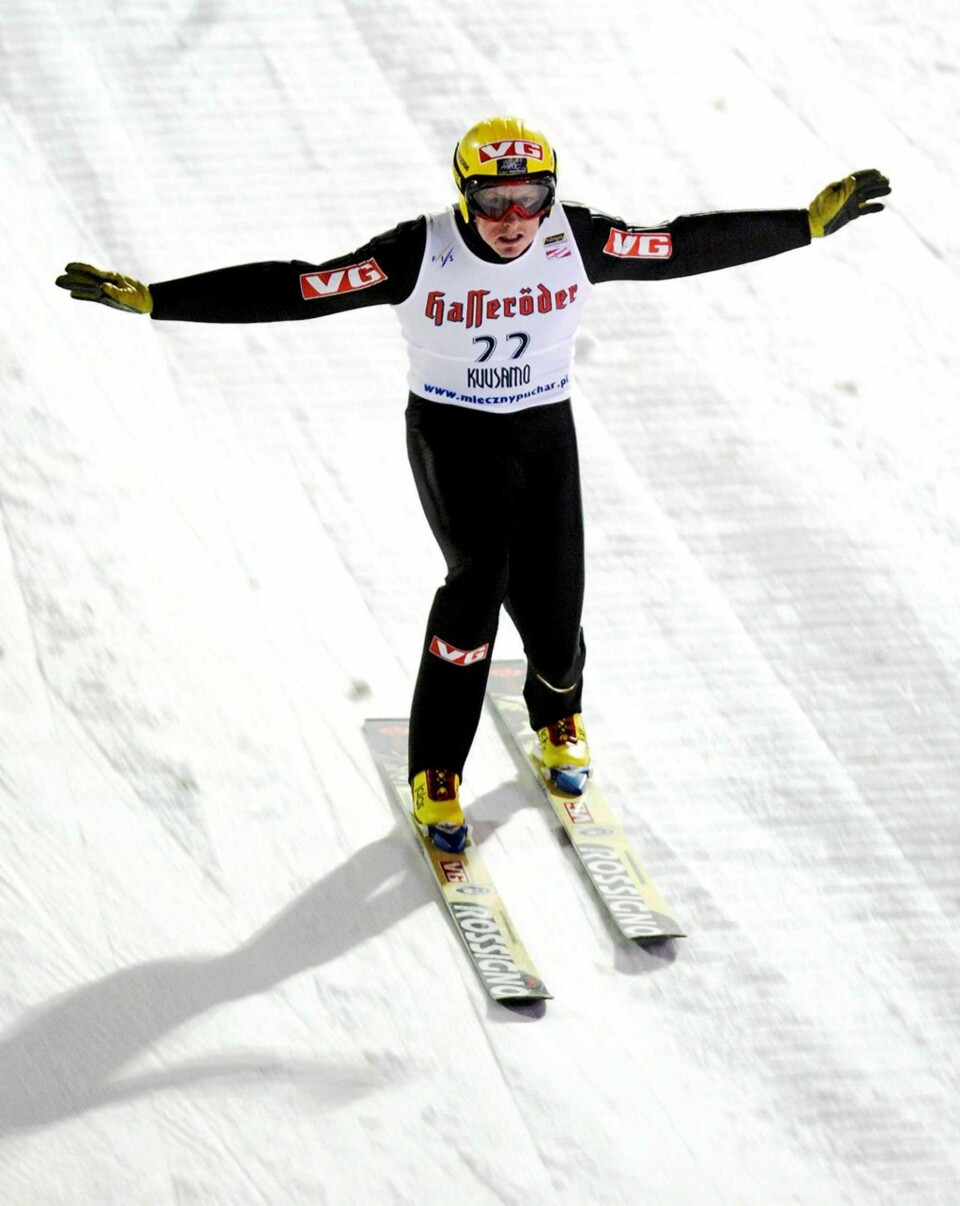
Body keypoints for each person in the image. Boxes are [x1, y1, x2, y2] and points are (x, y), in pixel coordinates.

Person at [56, 116, 890, 854]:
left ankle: (556, 711)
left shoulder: (579, 238)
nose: (513, 224)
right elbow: (298, 287)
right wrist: (160, 301)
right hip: (453, 434)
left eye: (530, 202)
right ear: (463, 198)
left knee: (558, 608)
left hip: (541, 434)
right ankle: (437, 772)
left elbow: (682, 246)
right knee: (479, 579)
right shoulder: (417, 251)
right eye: (493, 205)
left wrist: (804, 226)